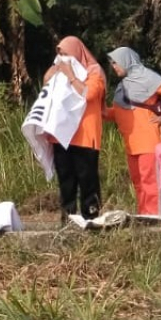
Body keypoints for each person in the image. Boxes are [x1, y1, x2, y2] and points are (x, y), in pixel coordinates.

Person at [104, 47, 161, 215]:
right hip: (132, 143)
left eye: (115, 62)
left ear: (126, 61)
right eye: (111, 63)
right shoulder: (123, 84)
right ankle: (144, 215)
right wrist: (102, 113)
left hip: (148, 140)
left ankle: (155, 216)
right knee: (138, 182)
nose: (113, 67)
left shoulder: (145, 76)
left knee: (150, 181)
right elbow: (121, 112)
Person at [43, 37, 105, 224]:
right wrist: (56, 68)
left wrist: (71, 75)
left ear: (77, 53)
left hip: (85, 135)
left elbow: (89, 94)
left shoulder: (94, 72)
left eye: (66, 54)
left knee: (87, 178)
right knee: (66, 178)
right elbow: (45, 83)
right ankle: (68, 217)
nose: (63, 58)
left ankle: (91, 216)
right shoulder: (59, 70)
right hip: (62, 135)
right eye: (59, 54)